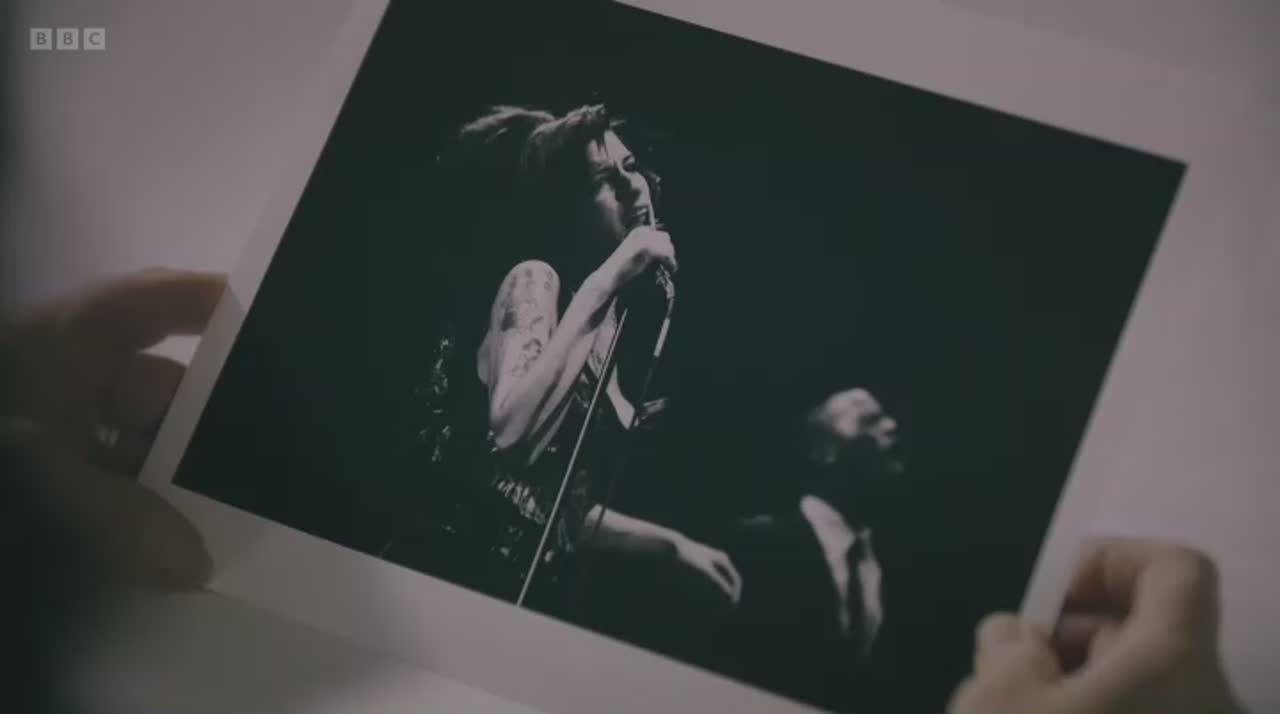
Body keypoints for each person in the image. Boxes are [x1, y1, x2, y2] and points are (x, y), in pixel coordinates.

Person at [1, 270, 1251, 714]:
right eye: (618, 176)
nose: (641, 196)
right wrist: (620, 264)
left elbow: (551, 494)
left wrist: (653, 537)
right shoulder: (544, 279)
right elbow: (500, 442)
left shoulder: (610, 340)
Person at [409, 104, 741, 613]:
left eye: (631, 168)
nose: (633, 188)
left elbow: (552, 506)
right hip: (450, 573)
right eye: (604, 181)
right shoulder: (535, 281)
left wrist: (671, 545)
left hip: (526, 596)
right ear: (564, 210)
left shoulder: (608, 326)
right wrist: (607, 278)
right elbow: (511, 437)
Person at [707, 386, 902, 711]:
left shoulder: (899, 568)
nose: (892, 426)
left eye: (887, 417)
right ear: (824, 450)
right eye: (869, 420)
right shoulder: (754, 546)